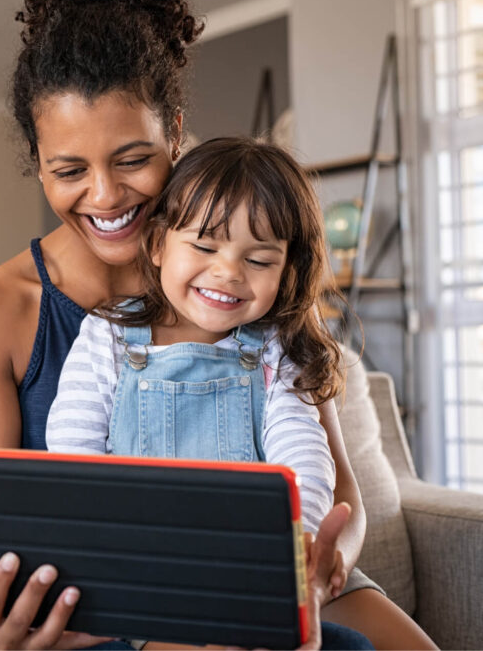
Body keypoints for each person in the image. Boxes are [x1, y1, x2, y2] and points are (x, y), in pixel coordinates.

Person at [0, 0, 436, 649]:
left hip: (265, 578)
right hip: (79, 600)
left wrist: (317, 567)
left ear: (173, 130)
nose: (107, 195)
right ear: (37, 163)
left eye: (134, 159)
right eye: (68, 170)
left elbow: (337, 488)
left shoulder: (235, 282)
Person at [44, 136, 353, 645]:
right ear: (159, 244)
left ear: (285, 270)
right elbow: (74, 450)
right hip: (144, 568)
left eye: (259, 260)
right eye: (205, 247)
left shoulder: (276, 348)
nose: (228, 272)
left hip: (250, 566)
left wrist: (300, 535)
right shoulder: (108, 335)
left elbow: (303, 448)